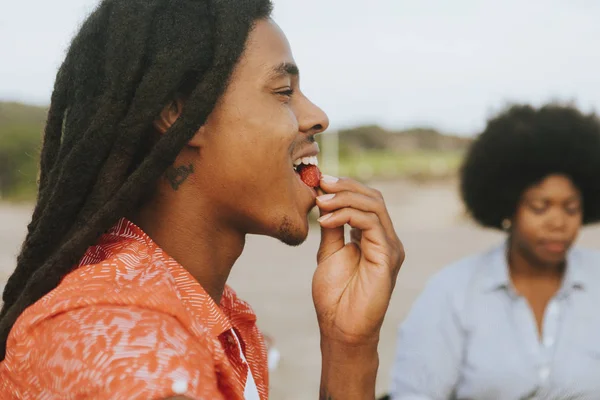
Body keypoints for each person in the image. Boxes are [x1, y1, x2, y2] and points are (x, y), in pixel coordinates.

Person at [0, 1, 404, 399]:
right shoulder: (131, 346)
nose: (318, 116)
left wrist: (348, 347)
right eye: (283, 92)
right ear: (180, 113)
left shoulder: (214, 314)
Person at [389, 104, 600, 400]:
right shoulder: (453, 293)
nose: (558, 223)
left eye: (571, 208)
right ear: (507, 207)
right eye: (539, 207)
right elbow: (415, 393)